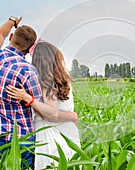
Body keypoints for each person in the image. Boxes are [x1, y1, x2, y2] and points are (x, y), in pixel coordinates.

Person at [6, 41, 81, 169]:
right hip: (69, 135)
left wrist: (28, 98)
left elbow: (52, 113)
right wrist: (72, 116)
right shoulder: (63, 80)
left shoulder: (47, 82)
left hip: (51, 138)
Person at [0, 16, 42, 168]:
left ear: (12, 37)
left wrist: (12, 21)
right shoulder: (28, 71)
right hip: (21, 140)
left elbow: (0, 35)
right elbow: (39, 103)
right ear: (29, 49)